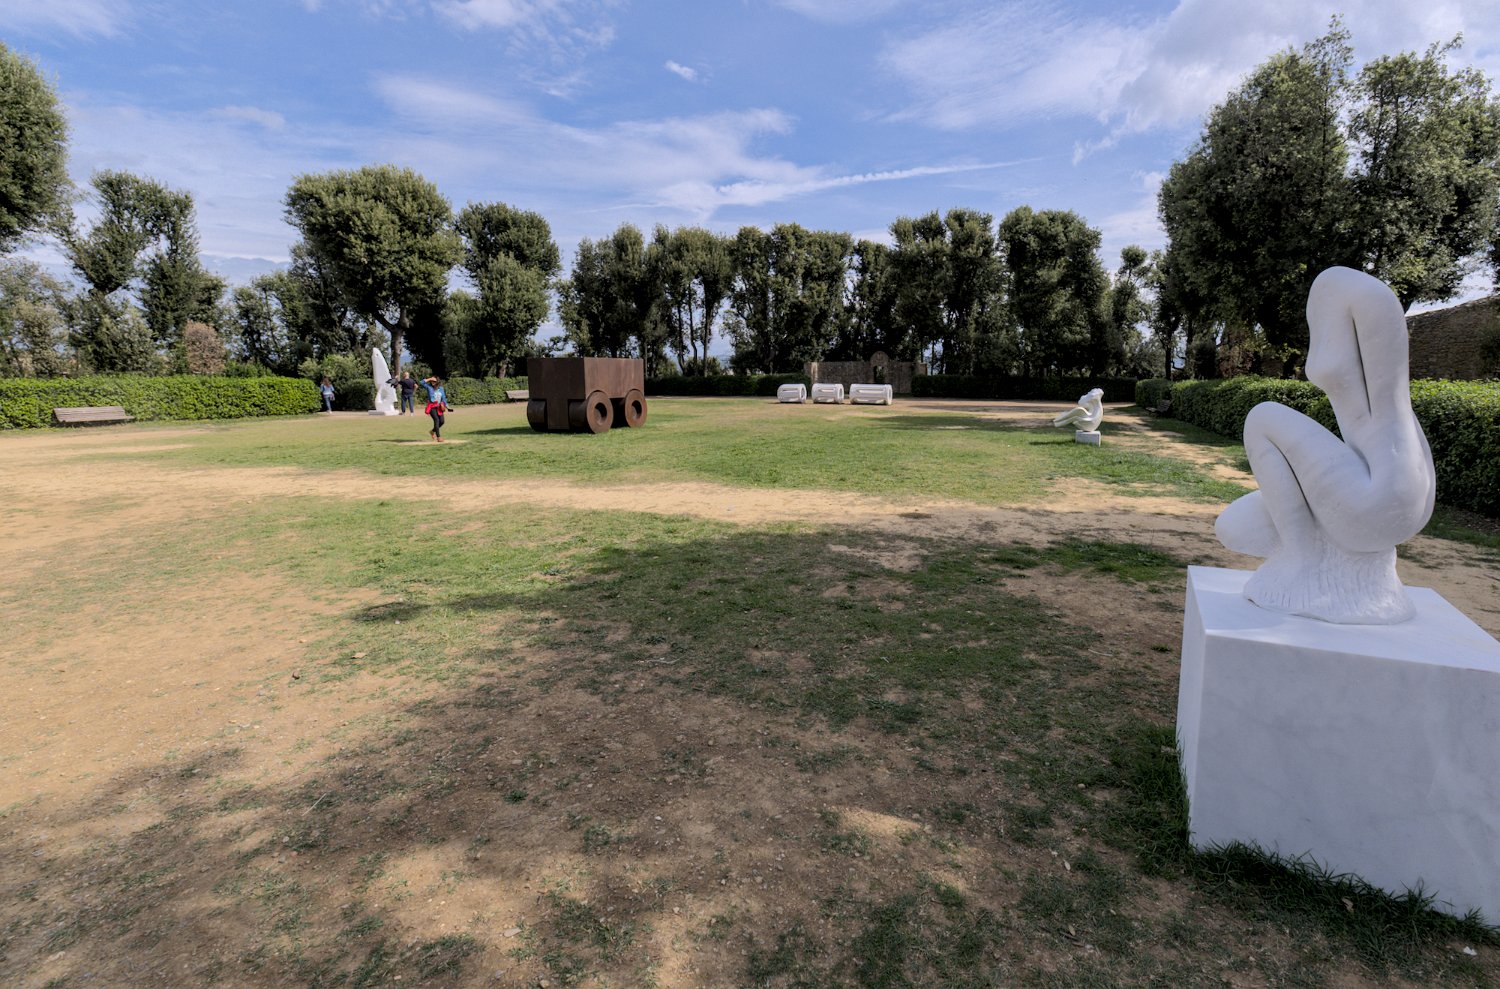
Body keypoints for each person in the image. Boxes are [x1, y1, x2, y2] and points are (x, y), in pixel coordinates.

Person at [421, 376, 451, 441]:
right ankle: (438, 437)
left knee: (442, 421)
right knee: (436, 420)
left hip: (439, 407)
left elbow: (443, 398)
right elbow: (421, 382)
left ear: (437, 381)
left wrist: (447, 406)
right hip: (432, 406)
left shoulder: (441, 388)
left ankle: (432, 431)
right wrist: (429, 379)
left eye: (434, 381)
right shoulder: (429, 387)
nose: (432, 382)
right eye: (432, 381)